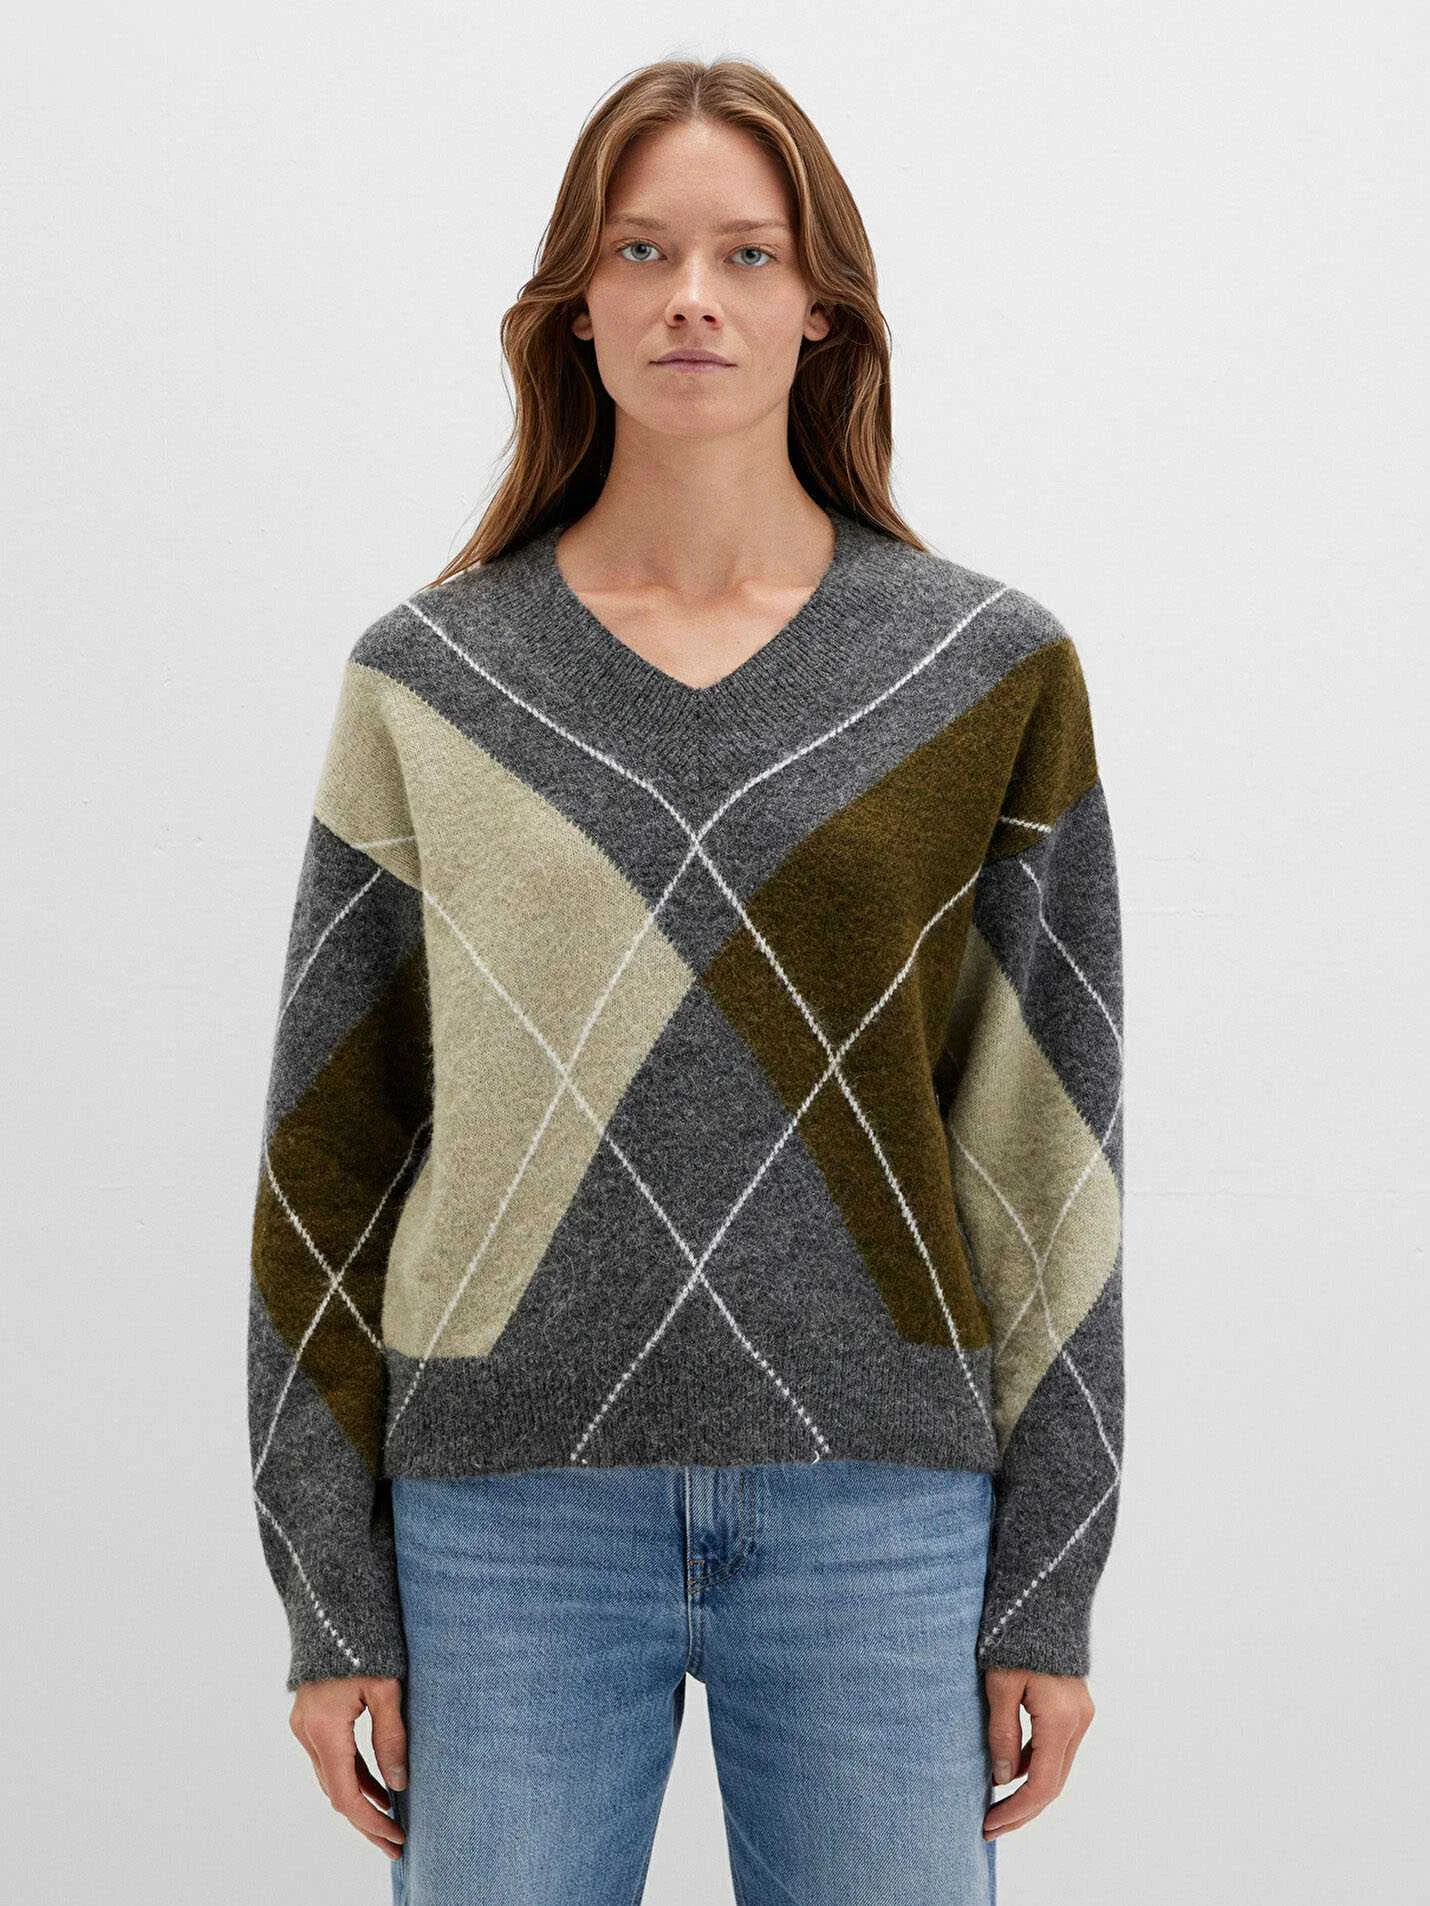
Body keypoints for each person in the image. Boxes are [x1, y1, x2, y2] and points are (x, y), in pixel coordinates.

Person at [247, 56, 1125, 1906]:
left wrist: (1050, 1576)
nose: (692, 297)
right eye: (640, 249)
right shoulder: (430, 680)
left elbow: (1045, 1152)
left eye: (747, 253)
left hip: (881, 1512)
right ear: (576, 302)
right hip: (502, 1518)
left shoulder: (983, 672)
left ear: (824, 309)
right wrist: (329, 1593)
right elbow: (327, 1160)